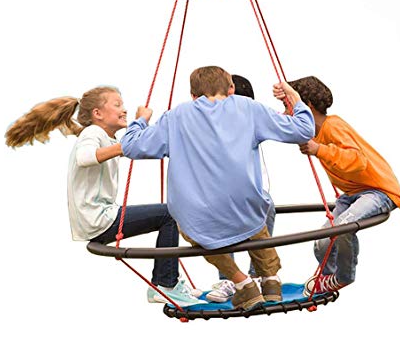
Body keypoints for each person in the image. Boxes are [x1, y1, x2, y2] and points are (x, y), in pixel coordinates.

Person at [121, 66, 315, 310]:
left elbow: (131, 147)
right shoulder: (249, 108)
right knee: (255, 218)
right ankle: (271, 281)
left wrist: (141, 120)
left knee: (193, 229)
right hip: (246, 208)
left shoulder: (176, 116)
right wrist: (293, 97)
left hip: (201, 216)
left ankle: (243, 283)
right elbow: (304, 130)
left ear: (193, 95)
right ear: (231, 88)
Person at [5, 86, 203, 307]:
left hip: (98, 217)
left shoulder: (103, 137)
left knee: (168, 213)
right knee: (169, 213)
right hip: (99, 219)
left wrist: (142, 127)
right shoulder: (93, 133)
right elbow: (85, 157)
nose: (124, 109)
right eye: (117, 105)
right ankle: (166, 284)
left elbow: (136, 146)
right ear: (97, 113)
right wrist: (126, 143)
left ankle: (165, 282)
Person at [276, 76, 400, 296]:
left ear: (307, 106)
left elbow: (358, 161)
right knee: (321, 242)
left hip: (378, 191)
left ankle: (343, 277)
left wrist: (319, 149)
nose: (285, 112)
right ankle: (325, 280)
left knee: (343, 227)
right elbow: (283, 127)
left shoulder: (333, 125)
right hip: (352, 194)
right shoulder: (313, 132)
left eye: (288, 106)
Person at [205, 74, 276, 303]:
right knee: (219, 214)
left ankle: (258, 275)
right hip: (217, 191)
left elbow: (283, 124)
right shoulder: (208, 124)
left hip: (249, 189)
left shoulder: (251, 121)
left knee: (266, 206)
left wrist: (292, 102)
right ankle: (231, 279)